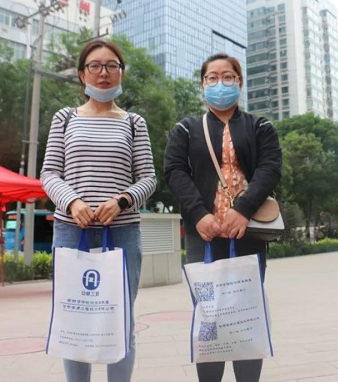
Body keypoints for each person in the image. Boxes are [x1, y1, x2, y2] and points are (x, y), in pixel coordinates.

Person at [40, 39, 156, 382]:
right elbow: (49, 173)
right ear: (82, 74)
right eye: (95, 65)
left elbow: (148, 178)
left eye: (111, 66)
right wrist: (72, 202)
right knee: (74, 319)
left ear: (121, 73)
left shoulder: (134, 123)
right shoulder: (65, 118)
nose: (103, 73)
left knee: (120, 318)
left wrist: (122, 201)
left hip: (122, 232)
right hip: (71, 230)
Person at [164, 53, 282, 382]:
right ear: (203, 84)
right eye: (212, 77)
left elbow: (270, 169)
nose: (220, 83)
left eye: (228, 77)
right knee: (209, 317)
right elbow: (174, 171)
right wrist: (198, 214)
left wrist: (243, 210)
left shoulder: (260, 126)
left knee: (246, 315)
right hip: (203, 236)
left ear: (239, 82)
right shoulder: (185, 129)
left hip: (247, 233)